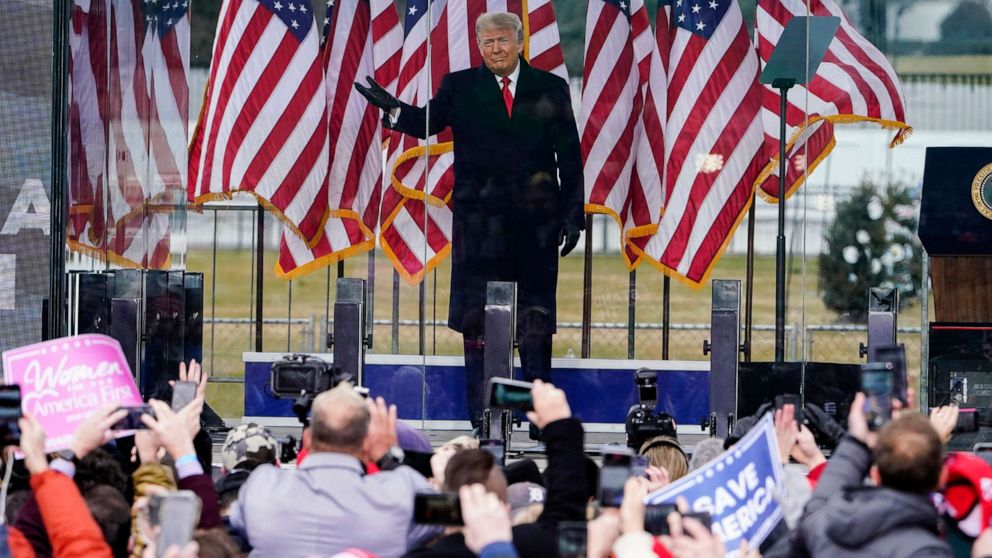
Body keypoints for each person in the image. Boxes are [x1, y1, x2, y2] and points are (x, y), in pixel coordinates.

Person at [355, 11, 584, 430]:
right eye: (487, 43)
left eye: (503, 41)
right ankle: (485, 416)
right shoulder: (459, 86)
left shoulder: (550, 88)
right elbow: (428, 122)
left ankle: (540, 417)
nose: (495, 49)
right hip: (478, 229)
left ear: (519, 43)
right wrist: (394, 112)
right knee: (476, 322)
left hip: (536, 227)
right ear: (478, 46)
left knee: (534, 323)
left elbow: (568, 156)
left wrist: (573, 214)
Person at [227, 385, 438, 558]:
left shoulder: (263, 485)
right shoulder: (401, 496)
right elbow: (447, 513)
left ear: (308, 440)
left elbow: (236, 521)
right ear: (367, 444)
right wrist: (389, 458)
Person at [794, 393, 953, 557]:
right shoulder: (926, 552)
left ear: (875, 475)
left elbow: (820, 502)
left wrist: (856, 441)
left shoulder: (820, 528)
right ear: (942, 476)